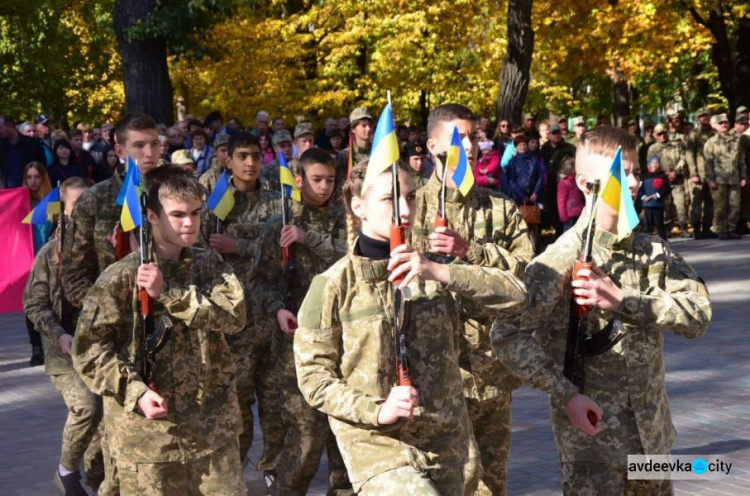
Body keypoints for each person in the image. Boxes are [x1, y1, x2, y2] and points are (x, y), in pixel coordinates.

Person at [493, 126, 711, 496]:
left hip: (652, 438)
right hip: (594, 450)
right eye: (618, 174)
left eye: (635, 172)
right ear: (584, 183)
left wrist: (624, 299)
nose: (632, 184)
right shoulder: (559, 261)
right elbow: (506, 335)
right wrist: (565, 394)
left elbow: (698, 315)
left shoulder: (652, 251)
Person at [295, 159, 528, 495]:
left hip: (447, 441)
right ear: (358, 206)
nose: (405, 209)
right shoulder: (333, 285)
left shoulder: (433, 269)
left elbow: (518, 296)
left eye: (411, 197)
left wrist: (440, 271)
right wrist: (377, 411)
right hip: (377, 445)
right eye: (390, 199)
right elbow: (314, 378)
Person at [72, 164, 247, 495]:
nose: (189, 223)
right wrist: (136, 391)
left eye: (195, 213)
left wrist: (169, 293)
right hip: (147, 441)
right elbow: (89, 351)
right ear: (152, 216)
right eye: (177, 214)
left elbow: (235, 317)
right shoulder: (120, 277)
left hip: (212, 431)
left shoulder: (209, 265)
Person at [410, 104, 534, 496]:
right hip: (435, 373)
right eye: (458, 137)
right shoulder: (410, 210)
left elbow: (527, 278)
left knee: (491, 483)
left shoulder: (500, 209)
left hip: (493, 370)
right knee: (451, 479)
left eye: (474, 136)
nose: (469, 145)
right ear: (433, 146)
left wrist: (473, 252)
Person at [62, 112, 161, 494]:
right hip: (113, 336)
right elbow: (74, 274)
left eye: (154, 143)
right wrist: (103, 317)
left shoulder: (172, 193)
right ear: (119, 150)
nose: (149, 152)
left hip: (164, 330)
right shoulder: (95, 200)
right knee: (110, 443)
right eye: (139, 145)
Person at [250, 148, 352, 495]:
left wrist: (310, 239)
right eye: (317, 179)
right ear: (299, 180)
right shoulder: (278, 222)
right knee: (306, 437)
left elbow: (354, 259)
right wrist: (277, 307)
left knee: (345, 439)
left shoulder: (348, 218)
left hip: (344, 340)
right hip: (296, 345)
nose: (324, 187)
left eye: (330, 180)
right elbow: (258, 281)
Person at [200, 132, 284, 478]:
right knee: (238, 403)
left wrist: (239, 246)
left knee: (276, 402)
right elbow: (201, 254)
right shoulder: (217, 203)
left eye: (255, 156)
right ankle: (234, 472)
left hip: (272, 315)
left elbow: (284, 253)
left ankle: (274, 469)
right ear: (227, 160)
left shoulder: (277, 201)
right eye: (242, 157)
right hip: (235, 323)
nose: (250, 163)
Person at [23, 177, 105, 495]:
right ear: (64, 210)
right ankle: (66, 469)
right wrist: (58, 336)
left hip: (100, 346)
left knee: (105, 424)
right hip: (64, 351)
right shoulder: (49, 254)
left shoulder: (105, 249)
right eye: (76, 206)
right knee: (86, 407)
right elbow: (34, 303)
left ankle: (100, 483)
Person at [23, 161, 55, 367]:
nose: (33, 181)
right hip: (26, 261)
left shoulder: (52, 202)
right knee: (31, 305)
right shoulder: (21, 202)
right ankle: (36, 349)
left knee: (51, 304)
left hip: (48, 260)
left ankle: (54, 345)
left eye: (37, 177)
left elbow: (57, 226)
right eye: (29, 177)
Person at [704, 113, 745, 240]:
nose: (724, 125)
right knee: (720, 207)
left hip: (734, 178)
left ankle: (731, 229)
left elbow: (741, 160)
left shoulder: (735, 140)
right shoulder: (711, 142)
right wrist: (710, 180)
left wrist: (743, 176)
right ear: (716, 126)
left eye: (726, 122)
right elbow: (708, 163)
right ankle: (720, 229)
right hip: (719, 179)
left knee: (734, 205)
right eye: (721, 123)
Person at [647, 123, 690, 238]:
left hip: (676, 180)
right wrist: (663, 175)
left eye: (664, 133)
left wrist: (675, 171)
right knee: (665, 206)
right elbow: (651, 165)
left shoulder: (676, 145)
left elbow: (683, 159)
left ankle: (683, 228)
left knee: (680, 204)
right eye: (659, 134)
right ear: (655, 135)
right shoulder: (653, 149)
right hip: (661, 181)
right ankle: (665, 229)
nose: (662, 136)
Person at [507, 134, 545, 244]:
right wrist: (522, 196)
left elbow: (539, 177)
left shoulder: (534, 160)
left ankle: (534, 244)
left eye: (524, 145)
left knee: (534, 222)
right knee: (520, 223)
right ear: (516, 147)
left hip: (533, 196)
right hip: (518, 198)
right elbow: (511, 182)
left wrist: (536, 193)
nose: (522, 147)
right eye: (520, 145)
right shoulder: (512, 162)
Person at [334, 107, 373, 200]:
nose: (368, 129)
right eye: (363, 125)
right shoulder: (344, 156)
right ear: (353, 129)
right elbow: (339, 188)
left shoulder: (378, 153)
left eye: (370, 125)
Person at [0, 115, 46, 188]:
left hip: (31, 190)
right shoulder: (1, 147)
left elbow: (42, 167)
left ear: (10, 126)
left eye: (0, 128)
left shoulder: (33, 144)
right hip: (8, 192)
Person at [639, 156, 671, 240]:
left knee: (659, 225)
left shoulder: (663, 176)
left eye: (656, 163)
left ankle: (664, 242)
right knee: (647, 225)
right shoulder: (644, 176)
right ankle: (646, 243)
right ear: (649, 164)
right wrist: (644, 197)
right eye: (653, 163)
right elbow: (640, 189)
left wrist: (657, 195)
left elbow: (667, 188)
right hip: (647, 205)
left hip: (658, 205)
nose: (655, 165)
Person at [556, 155, 584, 232]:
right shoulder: (563, 183)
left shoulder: (576, 180)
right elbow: (561, 201)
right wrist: (563, 216)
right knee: (568, 233)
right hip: (569, 216)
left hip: (579, 213)